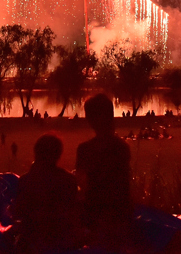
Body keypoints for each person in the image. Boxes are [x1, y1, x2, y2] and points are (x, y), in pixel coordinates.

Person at [75, 94, 132, 247]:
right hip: (119, 215)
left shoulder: (85, 150)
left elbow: (82, 184)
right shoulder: (122, 148)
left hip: (94, 215)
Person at [12, 133, 80, 253]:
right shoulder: (68, 180)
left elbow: (18, 211)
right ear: (58, 154)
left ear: (36, 153)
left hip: (32, 241)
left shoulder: (25, 180)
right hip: (61, 241)